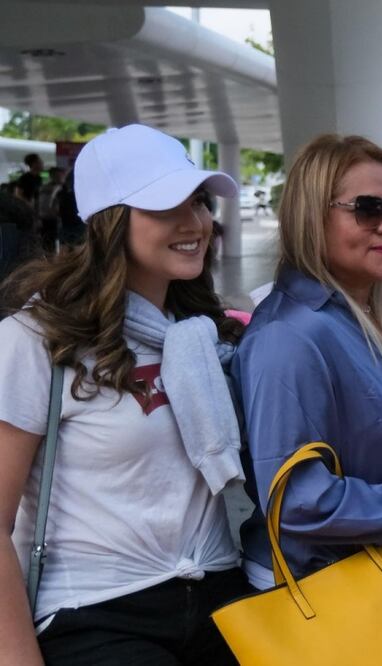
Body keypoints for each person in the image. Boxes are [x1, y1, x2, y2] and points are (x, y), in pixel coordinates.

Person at [0, 124, 250, 665]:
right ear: (112, 223)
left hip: (218, 596)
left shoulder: (201, 332)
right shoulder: (35, 339)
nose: (196, 223)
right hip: (97, 611)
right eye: (166, 207)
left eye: (200, 201)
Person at [230, 134, 382, 591]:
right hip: (326, 596)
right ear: (312, 217)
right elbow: (295, 500)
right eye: (367, 208)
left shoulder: (362, 316)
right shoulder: (288, 336)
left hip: (379, 579)